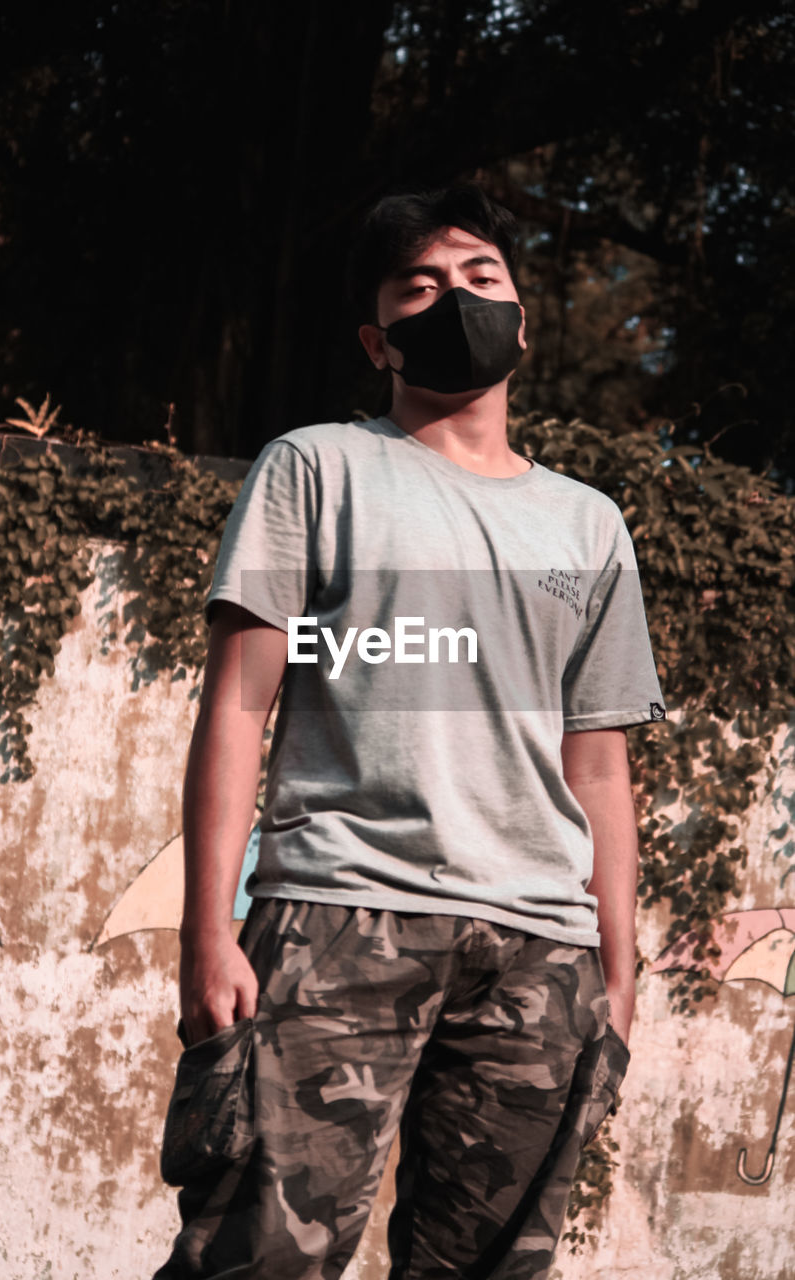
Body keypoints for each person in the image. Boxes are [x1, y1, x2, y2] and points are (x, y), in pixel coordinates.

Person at [153, 183, 666, 1280]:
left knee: (491, 1265)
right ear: (376, 336)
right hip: (340, 911)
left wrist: (615, 968)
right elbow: (238, 706)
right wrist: (209, 926)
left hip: (538, 951)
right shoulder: (317, 467)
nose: (456, 297)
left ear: (522, 317)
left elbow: (600, 763)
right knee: (258, 1254)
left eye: (481, 278)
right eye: (420, 285)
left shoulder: (588, 521)